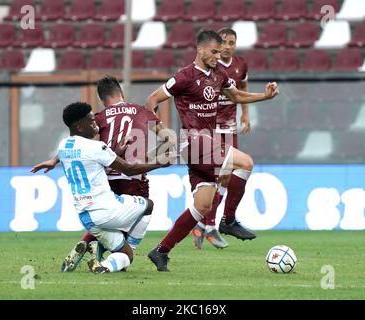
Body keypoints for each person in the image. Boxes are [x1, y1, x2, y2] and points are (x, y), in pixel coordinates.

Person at [145, 30, 279, 271]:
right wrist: (163, 131)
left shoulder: (219, 74)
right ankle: (228, 220)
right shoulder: (184, 77)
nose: (219, 55)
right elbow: (151, 101)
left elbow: (236, 95)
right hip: (194, 142)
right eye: (214, 51)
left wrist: (265, 97)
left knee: (203, 206)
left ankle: (161, 250)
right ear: (200, 49)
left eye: (220, 51)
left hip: (207, 143)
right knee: (245, 163)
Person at [31, 102, 170, 273]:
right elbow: (128, 168)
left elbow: (88, 159)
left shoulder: (63, 146)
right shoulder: (97, 147)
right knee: (148, 205)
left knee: (125, 255)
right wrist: (159, 163)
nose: (95, 124)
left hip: (87, 218)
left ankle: (103, 266)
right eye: (91, 121)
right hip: (108, 210)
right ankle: (130, 247)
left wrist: (53, 161)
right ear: (79, 127)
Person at [190, 27, 251, 250]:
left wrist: (245, 113)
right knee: (216, 178)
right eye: (223, 42)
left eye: (231, 43)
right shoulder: (210, 66)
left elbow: (242, 88)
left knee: (226, 178)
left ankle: (204, 224)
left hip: (230, 128)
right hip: (212, 129)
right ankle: (209, 224)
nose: (227, 47)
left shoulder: (241, 65)